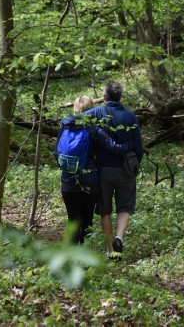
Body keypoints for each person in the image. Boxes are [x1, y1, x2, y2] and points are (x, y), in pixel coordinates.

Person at [56, 95, 131, 245]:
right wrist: (130, 144)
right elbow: (114, 148)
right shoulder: (94, 129)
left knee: (73, 221)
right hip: (90, 181)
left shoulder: (65, 126)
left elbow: (56, 153)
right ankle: (84, 254)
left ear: (75, 108)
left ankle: (72, 257)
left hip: (68, 181)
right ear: (92, 109)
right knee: (87, 221)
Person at [84, 82, 143, 259]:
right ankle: (120, 237)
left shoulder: (96, 113)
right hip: (126, 169)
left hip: (104, 170)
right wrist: (133, 164)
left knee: (105, 209)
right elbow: (139, 147)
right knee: (125, 206)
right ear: (120, 97)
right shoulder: (131, 116)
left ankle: (111, 250)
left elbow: (75, 120)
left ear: (105, 97)